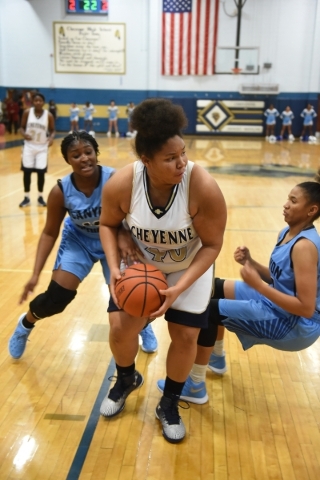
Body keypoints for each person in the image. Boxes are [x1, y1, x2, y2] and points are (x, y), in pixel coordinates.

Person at [99, 98, 227, 443]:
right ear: (146, 161)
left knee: (184, 335)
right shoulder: (123, 183)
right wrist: (113, 266)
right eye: (171, 158)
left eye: (183, 153)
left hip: (191, 267)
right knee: (121, 329)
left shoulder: (202, 186)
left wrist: (177, 288)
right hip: (144, 267)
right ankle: (127, 378)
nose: (181, 162)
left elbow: (213, 246)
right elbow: (108, 224)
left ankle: (169, 401)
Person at [158, 175, 320, 404]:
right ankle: (216, 357)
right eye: (288, 199)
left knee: (207, 312)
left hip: (295, 325)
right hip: (279, 304)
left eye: (293, 201)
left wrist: (257, 286)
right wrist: (251, 262)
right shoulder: (287, 233)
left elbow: (305, 307)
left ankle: (195, 385)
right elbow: (280, 279)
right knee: (211, 290)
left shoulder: (305, 246)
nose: (285, 204)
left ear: (311, 210)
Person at [9, 131, 158, 360]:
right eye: (76, 155)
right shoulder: (60, 191)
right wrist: (35, 274)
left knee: (135, 290)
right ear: (68, 160)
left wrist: (124, 232)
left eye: (88, 152)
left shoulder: (115, 179)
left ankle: (143, 326)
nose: (84, 158)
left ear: (96, 153)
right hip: (79, 240)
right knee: (56, 298)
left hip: (117, 239)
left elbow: (136, 216)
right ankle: (25, 324)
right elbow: (49, 233)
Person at [18, 93, 55, 208]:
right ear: (33, 102)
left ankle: (40, 197)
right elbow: (21, 127)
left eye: (40, 101)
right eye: (36, 101)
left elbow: (53, 130)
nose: (38, 102)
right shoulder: (27, 113)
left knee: (40, 172)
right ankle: (26, 197)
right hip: (29, 146)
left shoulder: (48, 115)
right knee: (27, 172)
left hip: (42, 147)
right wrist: (24, 134)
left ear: (43, 102)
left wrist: (51, 138)